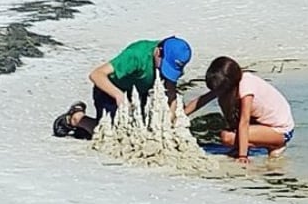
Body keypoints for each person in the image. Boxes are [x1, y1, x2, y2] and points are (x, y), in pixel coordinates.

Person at [53, 36, 192, 138]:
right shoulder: (136, 55)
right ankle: (76, 118)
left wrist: (169, 121)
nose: (164, 71)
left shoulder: (168, 58)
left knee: (143, 131)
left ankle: (89, 128)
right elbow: (96, 75)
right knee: (113, 134)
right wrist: (119, 96)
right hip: (110, 90)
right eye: (165, 66)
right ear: (158, 52)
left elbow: (171, 93)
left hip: (137, 94)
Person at [183, 55, 294, 161]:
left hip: (281, 130)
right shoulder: (231, 84)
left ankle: (275, 145)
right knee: (224, 100)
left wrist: (242, 156)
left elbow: (244, 122)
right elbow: (203, 100)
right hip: (261, 123)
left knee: (227, 137)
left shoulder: (246, 89)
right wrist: (182, 114)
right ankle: (258, 142)